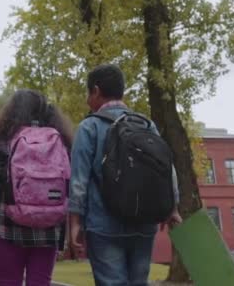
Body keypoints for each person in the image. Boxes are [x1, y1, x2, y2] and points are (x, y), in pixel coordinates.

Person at [68, 64, 182, 286]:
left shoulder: (89, 127)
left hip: (103, 224)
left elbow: (79, 181)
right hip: (144, 223)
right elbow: (168, 168)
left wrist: (74, 221)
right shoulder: (147, 125)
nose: (87, 100)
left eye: (88, 93)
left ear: (96, 91)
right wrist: (172, 207)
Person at [0, 89, 74, 286]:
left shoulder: (6, 140)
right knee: (41, 282)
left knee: (9, 281)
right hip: (50, 228)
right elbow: (70, 184)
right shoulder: (61, 141)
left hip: (10, 227)